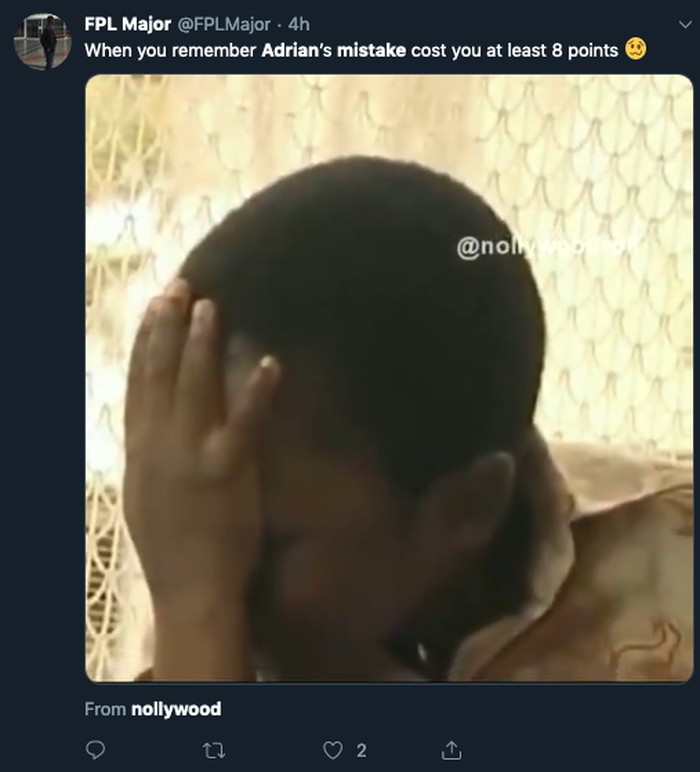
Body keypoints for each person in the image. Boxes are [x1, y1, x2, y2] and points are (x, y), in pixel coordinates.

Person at [124, 156, 692, 682]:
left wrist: (196, 614)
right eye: (177, 525)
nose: (207, 570)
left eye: (269, 544)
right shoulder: (209, 563)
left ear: (467, 508)